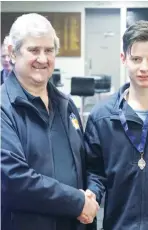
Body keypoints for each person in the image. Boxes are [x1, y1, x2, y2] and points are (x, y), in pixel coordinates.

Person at [1, 13, 99, 230]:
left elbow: (87, 162)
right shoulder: (3, 108)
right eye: (34, 50)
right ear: (12, 53)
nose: (43, 59)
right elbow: (13, 180)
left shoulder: (66, 104)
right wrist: (78, 202)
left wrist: (92, 194)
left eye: (49, 50)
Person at [84, 20, 148, 230]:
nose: (144, 67)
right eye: (136, 59)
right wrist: (92, 193)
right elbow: (95, 172)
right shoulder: (102, 118)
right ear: (124, 58)